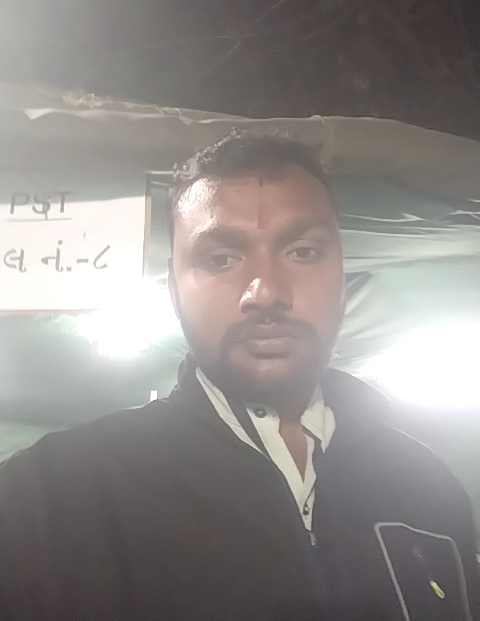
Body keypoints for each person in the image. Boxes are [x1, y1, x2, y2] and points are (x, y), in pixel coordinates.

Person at [0, 130, 478, 621]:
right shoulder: (45, 495)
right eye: (221, 259)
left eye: (303, 252)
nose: (265, 291)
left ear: (341, 273)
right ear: (174, 290)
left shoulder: (430, 486)